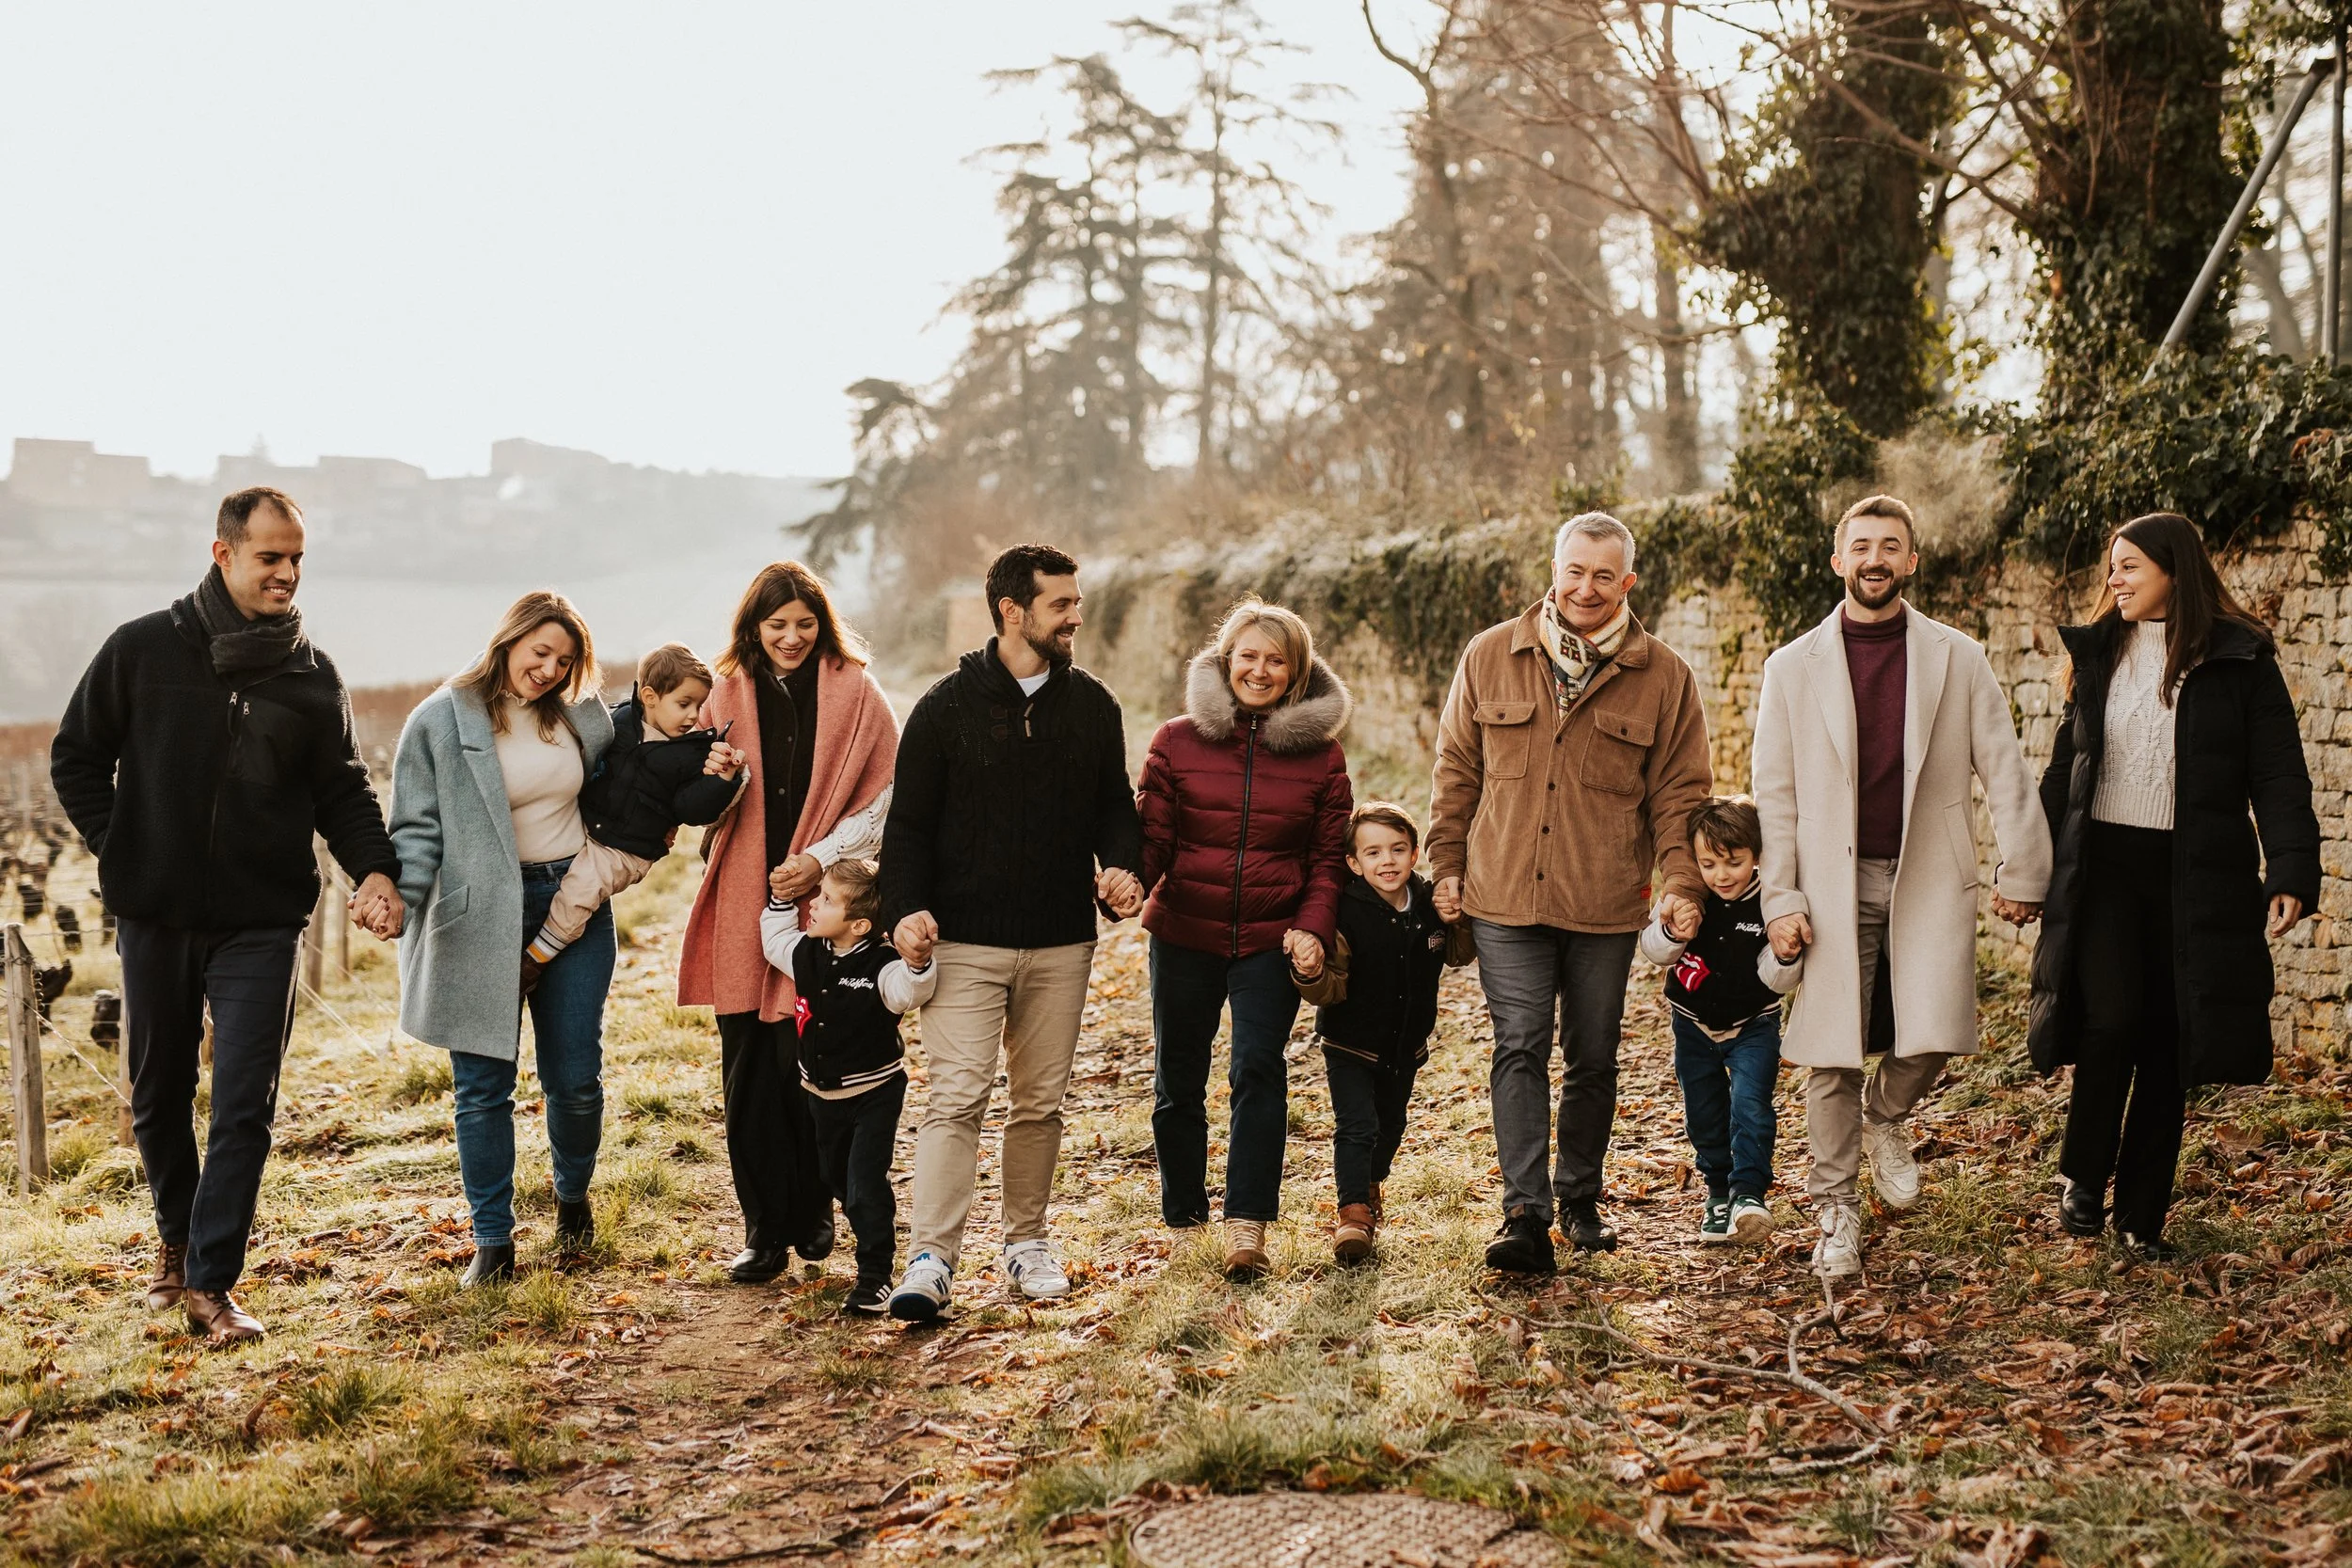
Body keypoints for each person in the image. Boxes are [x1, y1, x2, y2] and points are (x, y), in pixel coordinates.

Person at [52, 486, 402, 1342]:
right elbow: (76, 757)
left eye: (296, 560)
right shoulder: (142, 650)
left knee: (245, 1100)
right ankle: (175, 1236)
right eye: (269, 557)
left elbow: (343, 790)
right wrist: (123, 846)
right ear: (224, 555)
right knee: (157, 1091)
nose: (286, 574)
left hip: (262, 919)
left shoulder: (312, 675)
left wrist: (377, 870)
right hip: (157, 914)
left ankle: (211, 1282)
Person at [1751, 494, 2052, 1279]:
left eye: (1891, 546)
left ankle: (1885, 1116)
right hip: (1829, 880)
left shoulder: (1958, 656)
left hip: (1928, 872)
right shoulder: (1790, 667)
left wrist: (2024, 867)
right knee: (1832, 1052)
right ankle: (1836, 1210)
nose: (1876, 558)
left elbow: (2005, 768)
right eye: (1862, 546)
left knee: (1937, 1030)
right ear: (1838, 559)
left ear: (1912, 561)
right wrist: (1779, 897)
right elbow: (1773, 795)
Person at [1428, 512, 1712, 1273]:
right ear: (1553, 571)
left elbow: (1681, 796)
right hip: (1504, 896)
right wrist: (1445, 860)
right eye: (1573, 571)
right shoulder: (1491, 654)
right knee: (1518, 1044)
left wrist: (1682, 881)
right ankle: (1524, 1213)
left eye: (1603, 574)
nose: (1586, 588)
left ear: (1628, 581)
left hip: (1604, 901)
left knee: (1592, 1053)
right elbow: (1457, 766)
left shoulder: (1666, 677)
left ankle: (1579, 1194)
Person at [2029, 513, 2318, 1259]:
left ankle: (2141, 1219)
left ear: (2172, 570)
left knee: (2169, 1040)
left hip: (2197, 876)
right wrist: (2027, 865)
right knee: (2113, 1017)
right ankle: (2083, 1176)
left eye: (2128, 566)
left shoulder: (2240, 660)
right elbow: (2068, 770)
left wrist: (2290, 867)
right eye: (2112, 568)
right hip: (2107, 871)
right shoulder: (2102, 652)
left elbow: (2279, 772)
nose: (2113, 581)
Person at [880, 544, 1145, 1321]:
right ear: (1012, 612)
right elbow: (908, 829)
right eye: (1061, 604)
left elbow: (1113, 807)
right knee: (956, 1098)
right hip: (963, 941)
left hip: (1063, 939)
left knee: (1039, 1102)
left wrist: (1124, 868)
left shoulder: (1093, 704)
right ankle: (930, 1258)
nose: (1076, 615)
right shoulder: (943, 709)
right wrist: (904, 912)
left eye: (1076, 600)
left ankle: (1026, 1243)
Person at [391, 592, 636, 1286]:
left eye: (564, 660)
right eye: (541, 653)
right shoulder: (439, 720)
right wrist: (397, 900)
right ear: (509, 640)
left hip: (572, 905)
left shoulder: (584, 715)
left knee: (575, 1078)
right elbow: (413, 827)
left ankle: (572, 1198)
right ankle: (493, 1243)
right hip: (476, 915)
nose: (550, 669)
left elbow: (626, 792)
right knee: (481, 1088)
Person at [677, 562, 898, 1286]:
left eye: (805, 623)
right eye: (777, 625)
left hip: (825, 901)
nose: (792, 637)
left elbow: (882, 802)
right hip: (746, 898)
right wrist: (708, 775)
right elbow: (690, 800)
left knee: (809, 1063)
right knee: (747, 1069)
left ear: (823, 622)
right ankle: (764, 1229)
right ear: (754, 627)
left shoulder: (859, 695)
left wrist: (817, 857)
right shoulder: (724, 695)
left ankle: (817, 1209)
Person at [1138, 599, 1355, 1277]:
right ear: (1226, 659)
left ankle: (1247, 1222)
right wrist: (1118, 883)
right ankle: (1183, 1218)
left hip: (1273, 937)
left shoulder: (1322, 756)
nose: (1259, 670)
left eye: (1276, 659)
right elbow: (1154, 843)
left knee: (1257, 1068)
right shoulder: (1176, 740)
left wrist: (1313, 926)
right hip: (1183, 932)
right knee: (1179, 1077)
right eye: (1248, 656)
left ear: (1296, 672)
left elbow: (1327, 861)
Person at [1292, 801, 1474, 1262]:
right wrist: (1310, 973)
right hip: (1350, 1042)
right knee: (1357, 1125)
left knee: (1390, 1124)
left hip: (1405, 1044)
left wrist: (1459, 920)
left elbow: (1457, 954)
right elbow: (1329, 988)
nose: (1386, 861)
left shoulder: (1430, 904)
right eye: (1372, 853)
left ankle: (1371, 1181)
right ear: (1354, 863)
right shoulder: (1346, 912)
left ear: (1415, 854)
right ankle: (1352, 1213)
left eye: (1397, 849)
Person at [761, 859, 937, 1315]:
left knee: (863, 1185)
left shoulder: (880, 965)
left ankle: (876, 1275)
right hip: (821, 1097)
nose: (813, 906)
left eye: (824, 901)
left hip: (873, 1094)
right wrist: (780, 900)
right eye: (815, 896)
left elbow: (907, 992)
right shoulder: (807, 952)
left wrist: (918, 965)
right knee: (835, 1178)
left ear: (858, 924)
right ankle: (865, 1223)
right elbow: (774, 940)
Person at [520, 643, 744, 990]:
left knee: (580, 891)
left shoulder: (691, 754)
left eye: (699, 706)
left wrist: (722, 780)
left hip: (629, 848)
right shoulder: (619, 722)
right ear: (651, 696)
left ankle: (536, 959)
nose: (692, 716)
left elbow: (691, 809)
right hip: (590, 825)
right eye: (684, 704)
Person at [1637, 795, 1802, 1244]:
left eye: (1734, 862)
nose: (1721, 875)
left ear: (1757, 857)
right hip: (1692, 1025)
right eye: (1708, 863)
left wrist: (1785, 954)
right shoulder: (1689, 895)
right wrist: (1673, 931)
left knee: (1751, 1106)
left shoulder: (1771, 901)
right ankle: (1717, 1192)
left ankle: (1748, 1194)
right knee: (1704, 1113)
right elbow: (1653, 950)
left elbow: (1777, 979)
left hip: (1754, 1024)